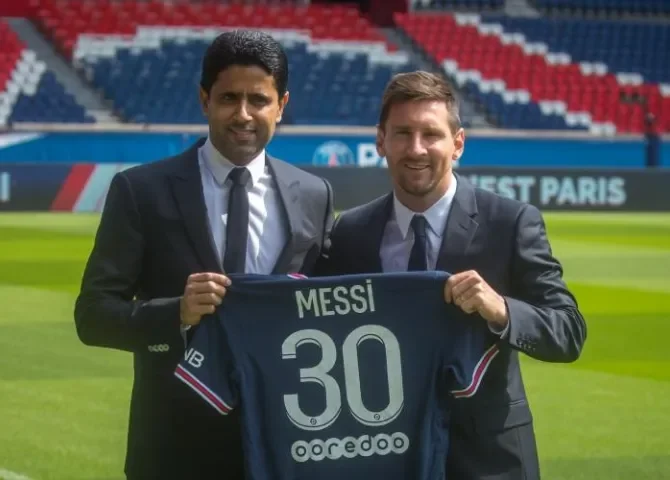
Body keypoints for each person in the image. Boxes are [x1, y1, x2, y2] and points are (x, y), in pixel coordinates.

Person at [74, 30, 334, 480]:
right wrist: (176, 312)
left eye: (259, 100)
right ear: (204, 100)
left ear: (281, 105)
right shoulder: (141, 191)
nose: (243, 114)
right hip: (175, 448)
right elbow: (92, 316)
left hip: (286, 444)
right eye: (229, 98)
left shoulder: (314, 194)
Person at [316, 71, 587, 480]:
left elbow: (568, 332)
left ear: (457, 143)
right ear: (381, 141)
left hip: (489, 460)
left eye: (431, 134)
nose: (416, 148)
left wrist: (502, 310)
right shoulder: (350, 232)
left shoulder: (510, 222)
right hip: (383, 455)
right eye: (402, 133)